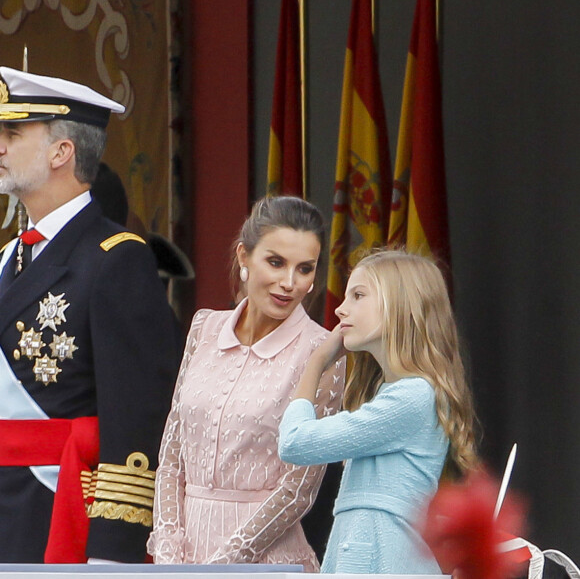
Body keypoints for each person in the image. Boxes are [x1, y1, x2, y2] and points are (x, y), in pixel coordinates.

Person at [0, 67, 181, 563]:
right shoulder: (8, 256)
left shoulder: (115, 258)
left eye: (12, 134)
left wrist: (112, 551)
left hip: (60, 512)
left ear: (63, 152)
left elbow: (136, 413)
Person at [148, 196, 346, 571]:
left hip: (267, 562)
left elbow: (297, 492)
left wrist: (224, 565)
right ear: (244, 257)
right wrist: (169, 553)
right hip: (181, 559)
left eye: (305, 269)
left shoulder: (322, 352)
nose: (289, 283)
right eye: (276, 262)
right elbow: (172, 456)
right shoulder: (204, 328)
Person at [279, 249, 479, 574]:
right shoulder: (393, 393)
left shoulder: (413, 396)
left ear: (401, 305)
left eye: (358, 295)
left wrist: (316, 363)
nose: (342, 309)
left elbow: (295, 442)